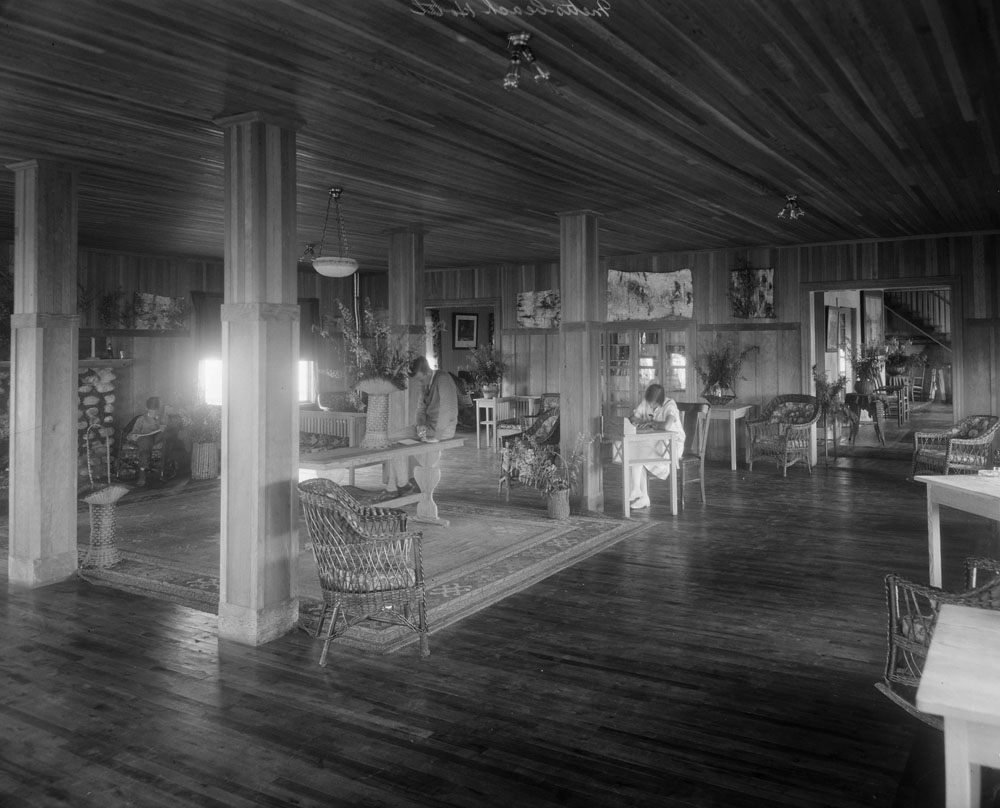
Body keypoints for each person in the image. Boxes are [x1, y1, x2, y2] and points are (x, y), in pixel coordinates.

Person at [380, 358, 458, 500]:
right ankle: (400, 484)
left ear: (428, 372)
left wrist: (437, 437)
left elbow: (447, 409)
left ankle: (398, 486)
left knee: (397, 441)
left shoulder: (443, 379)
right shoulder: (425, 383)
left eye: (421, 380)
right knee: (392, 438)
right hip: (428, 428)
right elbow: (420, 409)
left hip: (443, 429)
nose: (420, 384)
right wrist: (420, 425)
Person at [628, 383, 684, 511]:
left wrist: (649, 423)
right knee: (634, 451)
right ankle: (640, 493)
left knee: (639, 453)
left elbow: (667, 426)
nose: (650, 406)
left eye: (653, 403)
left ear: (661, 401)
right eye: (649, 402)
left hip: (672, 445)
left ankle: (639, 491)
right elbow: (632, 417)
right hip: (653, 441)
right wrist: (641, 421)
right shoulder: (646, 402)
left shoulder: (670, 405)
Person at [128, 396, 165, 487]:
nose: (153, 413)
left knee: (163, 433)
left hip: (156, 438)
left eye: (155, 411)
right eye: (151, 411)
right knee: (145, 442)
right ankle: (142, 474)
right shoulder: (141, 419)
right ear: (147, 409)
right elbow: (132, 433)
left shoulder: (162, 418)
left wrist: (163, 427)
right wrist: (133, 436)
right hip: (143, 440)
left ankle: (144, 472)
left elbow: (166, 429)